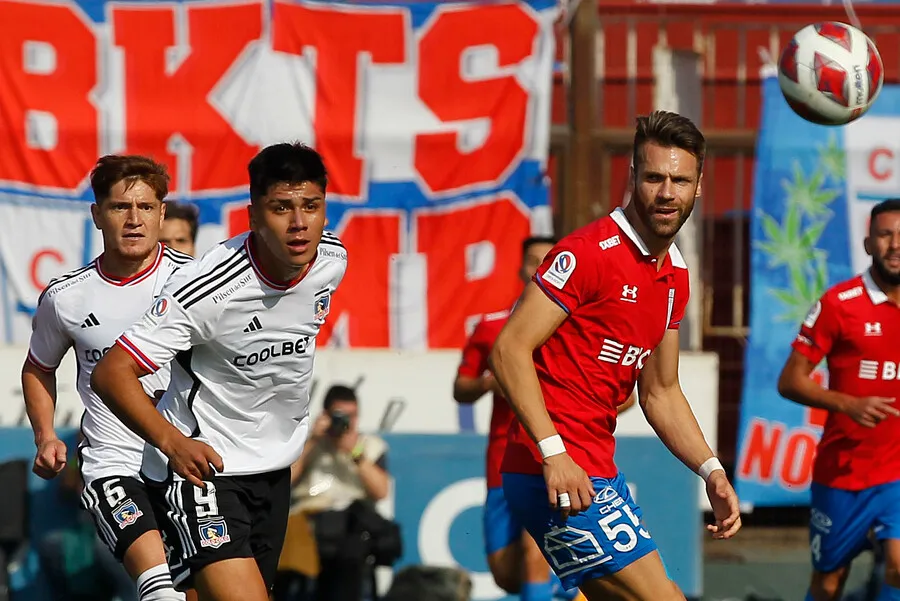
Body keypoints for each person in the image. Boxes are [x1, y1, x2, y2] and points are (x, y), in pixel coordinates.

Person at [489, 110, 742, 601]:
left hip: (597, 469)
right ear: (632, 178)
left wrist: (711, 471)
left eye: (680, 180)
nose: (667, 192)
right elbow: (508, 349)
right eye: (653, 177)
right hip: (555, 470)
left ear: (698, 186)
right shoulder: (588, 253)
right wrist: (553, 453)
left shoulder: (676, 276)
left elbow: (661, 392)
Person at [90, 142, 347, 601]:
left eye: (311, 206)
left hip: (274, 470)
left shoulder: (331, 261)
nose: (299, 223)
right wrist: (172, 444)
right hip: (205, 475)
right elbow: (112, 372)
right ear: (253, 216)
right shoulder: (208, 290)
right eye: (281, 208)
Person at [21, 154, 194, 601]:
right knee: (158, 593)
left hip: (186, 462)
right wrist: (45, 436)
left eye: (145, 207)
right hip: (112, 465)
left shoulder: (194, 283)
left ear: (161, 213)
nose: (133, 219)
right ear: (97, 214)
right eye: (120, 207)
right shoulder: (65, 298)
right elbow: (39, 367)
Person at [777, 198, 900, 601]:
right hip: (843, 475)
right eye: (885, 235)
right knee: (829, 583)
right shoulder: (838, 304)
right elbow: (790, 381)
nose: (896, 244)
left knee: (899, 568)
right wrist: (849, 404)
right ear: (868, 244)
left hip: (896, 475)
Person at [455, 235, 588, 601]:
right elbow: (460, 388)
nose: (540, 268)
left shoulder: (577, 329)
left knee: (535, 552)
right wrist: (489, 382)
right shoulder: (490, 328)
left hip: (555, 459)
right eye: (533, 261)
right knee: (506, 575)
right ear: (521, 269)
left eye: (550, 261)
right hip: (502, 461)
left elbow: (625, 397)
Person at [281, 384, 391, 601]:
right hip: (309, 523)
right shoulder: (305, 443)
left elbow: (381, 491)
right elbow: (285, 482)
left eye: (352, 416)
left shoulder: (370, 445)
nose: (346, 423)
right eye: (340, 416)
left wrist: (354, 451)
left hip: (351, 526)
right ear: (326, 414)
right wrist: (312, 440)